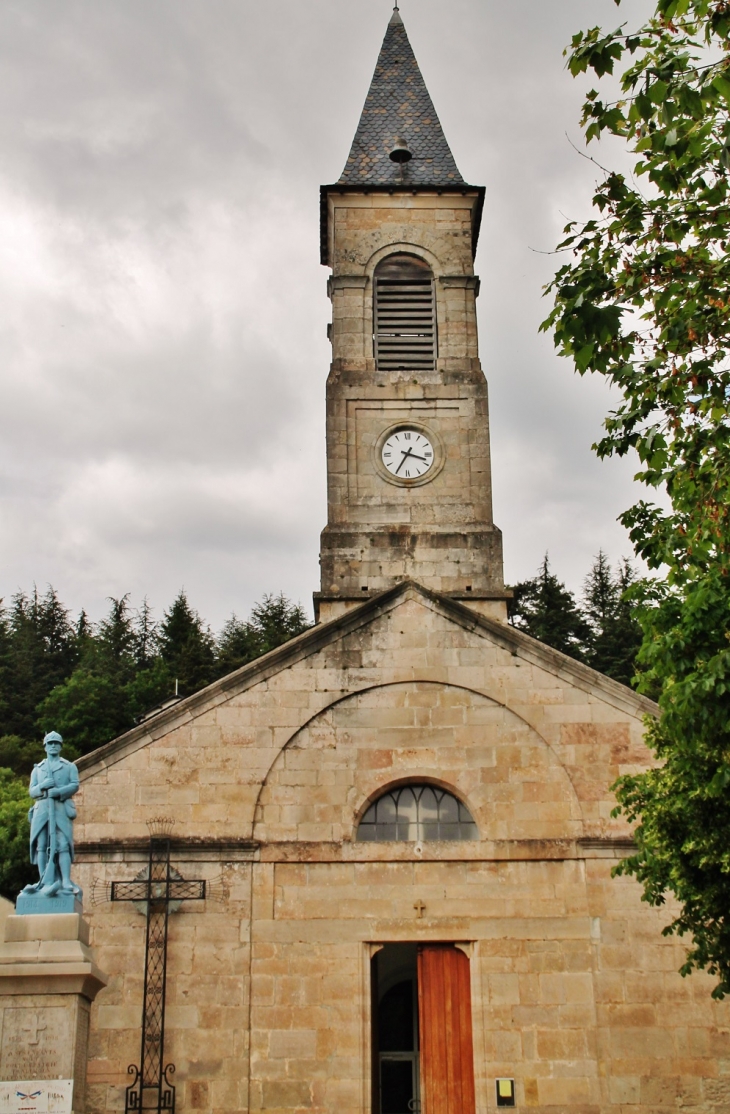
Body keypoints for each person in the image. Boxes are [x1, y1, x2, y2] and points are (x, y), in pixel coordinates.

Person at [23, 730, 81, 896]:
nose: (53, 746)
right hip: (41, 809)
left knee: (63, 844)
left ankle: (65, 880)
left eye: (56, 743)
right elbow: (32, 791)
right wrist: (42, 787)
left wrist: (59, 792)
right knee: (41, 846)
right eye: (50, 743)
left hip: (61, 808)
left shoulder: (69, 766)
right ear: (45, 747)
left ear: (61, 746)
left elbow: (75, 785)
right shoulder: (38, 769)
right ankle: (44, 879)